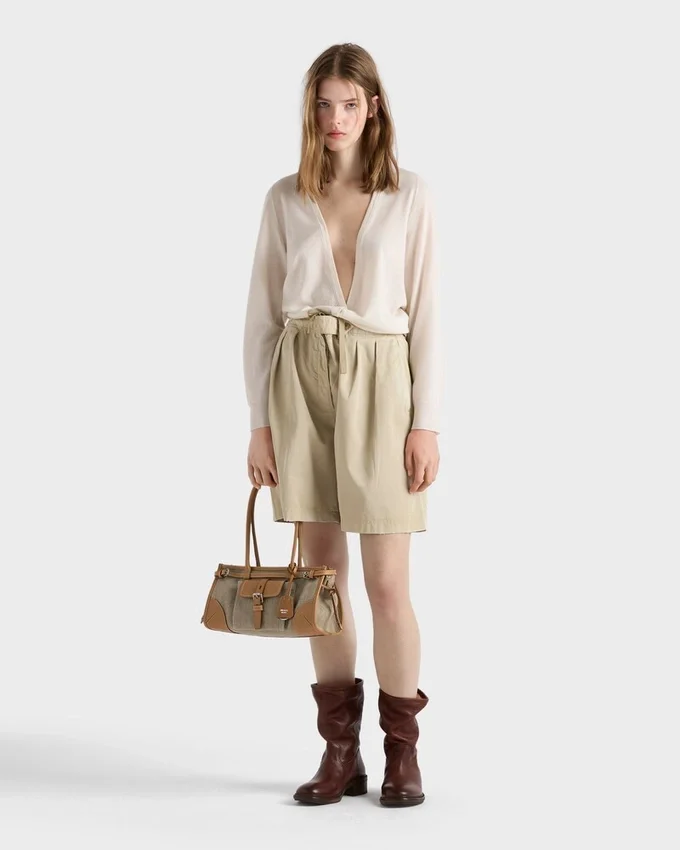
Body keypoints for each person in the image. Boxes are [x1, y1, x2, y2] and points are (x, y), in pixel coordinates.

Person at [242, 43, 443, 807]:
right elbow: (261, 318)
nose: (335, 118)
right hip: (300, 383)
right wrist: (260, 424)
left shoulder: (409, 195)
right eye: (324, 105)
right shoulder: (285, 197)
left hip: (383, 381)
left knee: (388, 583)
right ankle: (340, 754)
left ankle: (402, 754)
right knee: (320, 581)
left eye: (349, 104)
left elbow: (430, 314)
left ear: (373, 108)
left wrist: (427, 423)